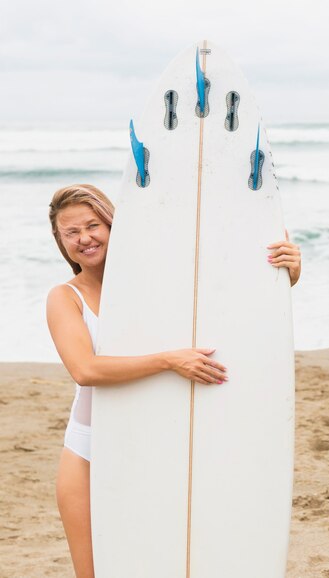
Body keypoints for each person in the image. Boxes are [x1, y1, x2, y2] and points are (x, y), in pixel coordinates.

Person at [46, 184, 301, 578]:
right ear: (61, 243)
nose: (85, 238)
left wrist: (288, 272)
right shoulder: (65, 297)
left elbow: (227, 301)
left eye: (93, 225)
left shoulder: (157, 283)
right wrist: (167, 361)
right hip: (88, 449)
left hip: (154, 443)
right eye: (71, 233)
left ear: (115, 226)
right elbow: (86, 370)